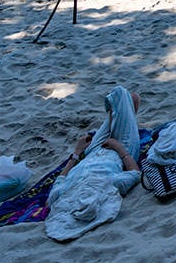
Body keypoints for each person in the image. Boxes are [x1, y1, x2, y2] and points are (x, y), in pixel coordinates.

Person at [44, 87, 142, 242]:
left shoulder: (61, 195)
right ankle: (129, 112)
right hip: (122, 149)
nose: (85, 197)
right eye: (89, 201)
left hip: (92, 151)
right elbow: (135, 173)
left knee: (122, 100)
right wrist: (118, 147)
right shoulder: (112, 186)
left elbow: (62, 176)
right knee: (123, 95)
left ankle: (128, 112)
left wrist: (77, 152)